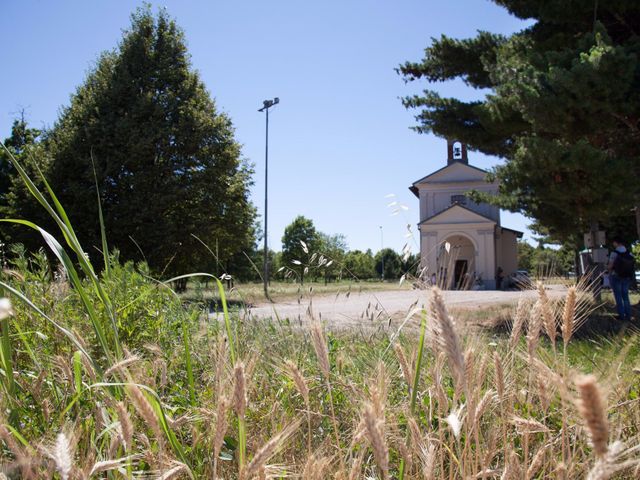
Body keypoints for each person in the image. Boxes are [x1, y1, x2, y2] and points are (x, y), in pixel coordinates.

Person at [607, 237, 634, 322]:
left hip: (616, 276)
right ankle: (628, 315)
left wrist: (607, 268)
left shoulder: (614, 253)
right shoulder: (629, 253)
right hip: (627, 277)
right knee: (626, 296)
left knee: (618, 296)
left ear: (616, 243)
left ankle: (621, 315)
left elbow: (610, 266)